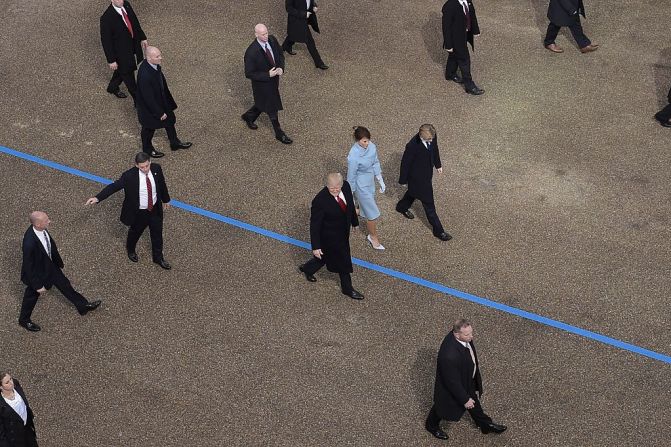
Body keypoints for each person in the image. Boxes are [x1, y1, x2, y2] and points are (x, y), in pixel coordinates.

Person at [85, 152, 172, 270]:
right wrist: (97, 198)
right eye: (142, 167)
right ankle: (130, 249)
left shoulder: (156, 168)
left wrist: (166, 200)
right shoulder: (128, 176)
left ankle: (158, 258)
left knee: (157, 234)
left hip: (155, 209)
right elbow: (114, 187)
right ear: (136, 165)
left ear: (150, 162)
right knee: (135, 233)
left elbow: (161, 184)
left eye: (147, 166)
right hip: (139, 212)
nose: (145, 169)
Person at [19, 212, 102, 332]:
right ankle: (24, 320)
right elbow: (28, 266)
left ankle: (82, 306)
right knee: (31, 297)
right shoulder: (29, 243)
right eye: (46, 220)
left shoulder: (41, 229)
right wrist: (37, 285)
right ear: (37, 224)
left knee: (65, 285)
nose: (49, 221)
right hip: (39, 273)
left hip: (51, 266)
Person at [425, 319, 507, 440]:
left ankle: (484, 424)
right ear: (457, 334)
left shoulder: (461, 337)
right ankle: (431, 425)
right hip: (457, 384)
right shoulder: (449, 355)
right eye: (467, 334)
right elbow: (452, 382)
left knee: (473, 402)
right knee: (443, 406)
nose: (471, 336)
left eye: (471, 333)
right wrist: (464, 399)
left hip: (466, 379)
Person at [299, 173, 364, 300]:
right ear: (326, 185)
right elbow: (315, 225)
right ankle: (347, 288)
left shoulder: (346, 186)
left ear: (341, 184)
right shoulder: (319, 201)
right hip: (328, 237)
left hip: (342, 234)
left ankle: (307, 269)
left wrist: (355, 223)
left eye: (337, 187)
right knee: (344, 262)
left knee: (322, 258)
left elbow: (349, 206)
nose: (334, 190)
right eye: (331, 188)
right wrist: (316, 246)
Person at [396, 124, 452, 241]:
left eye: (432, 138)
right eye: (429, 139)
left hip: (426, 175)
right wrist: (403, 180)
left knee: (412, 193)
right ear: (421, 136)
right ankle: (439, 231)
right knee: (429, 206)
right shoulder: (412, 146)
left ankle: (401, 207)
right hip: (418, 179)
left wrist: (438, 164)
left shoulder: (432, 135)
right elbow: (405, 163)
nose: (431, 140)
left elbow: (435, 149)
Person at [136, 46, 192, 158]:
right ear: (148, 58)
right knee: (148, 128)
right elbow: (148, 98)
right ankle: (147, 149)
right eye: (157, 56)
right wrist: (159, 112)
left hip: (161, 100)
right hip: (151, 108)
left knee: (170, 121)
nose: (161, 58)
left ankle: (174, 143)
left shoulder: (152, 66)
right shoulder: (144, 75)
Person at [241, 24, 293, 145]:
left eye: (266, 33)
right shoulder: (251, 52)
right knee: (272, 107)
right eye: (263, 34)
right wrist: (267, 75)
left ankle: (249, 116)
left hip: (274, 80)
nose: (266, 36)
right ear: (256, 35)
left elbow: (280, 55)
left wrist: (281, 68)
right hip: (262, 84)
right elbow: (249, 73)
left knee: (262, 102)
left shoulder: (272, 40)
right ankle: (279, 133)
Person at [346, 126, 386, 250]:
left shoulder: (371, 146)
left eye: (368, 140)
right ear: (357, 140)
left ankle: (352, 212)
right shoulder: (353, 156)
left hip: (369, 181)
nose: (367, 143)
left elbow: (375, 161)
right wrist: (350, 193)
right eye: (364, 141)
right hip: (360, 185)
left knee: (366, 206)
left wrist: (380, 178)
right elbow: (351, 176)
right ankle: (373, 237)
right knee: (372, 213)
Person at [100, 0, 147, 100]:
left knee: (121, 71)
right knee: (129, 77)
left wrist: (142, 37)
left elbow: (135, 21)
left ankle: (112, 87)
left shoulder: (126, 4)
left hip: (131, 46)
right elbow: (106, 41)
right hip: (121, 54)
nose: (120, 1)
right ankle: (139, 102)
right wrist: (111, 60)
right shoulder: (106, 18)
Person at [442, 0, 484, 95]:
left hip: (464, 34)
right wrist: (448, 45)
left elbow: (471, 14)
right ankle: (469, 85)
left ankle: (450, 73)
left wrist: (475, 30)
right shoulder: (449, 5)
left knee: (454, 55)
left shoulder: (467, 1)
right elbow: (446, 27)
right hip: (455, 38)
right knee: (464, 59)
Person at [281, 0, 328, 70]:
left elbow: (310, 2)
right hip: (296, 20)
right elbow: (289, 8)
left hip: (304, 20)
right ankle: (319, 63)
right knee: (310, 41)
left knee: (292, 35)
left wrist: (314, 6)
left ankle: (284, 47)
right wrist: (303, 14)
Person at [0, 373, 38, 446]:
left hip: (27, 429)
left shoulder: (16, 384)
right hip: (15, 438)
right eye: (7, 382)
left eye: (10, 379)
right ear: (1, 387)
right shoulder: (1, 404)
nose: (11, 383)